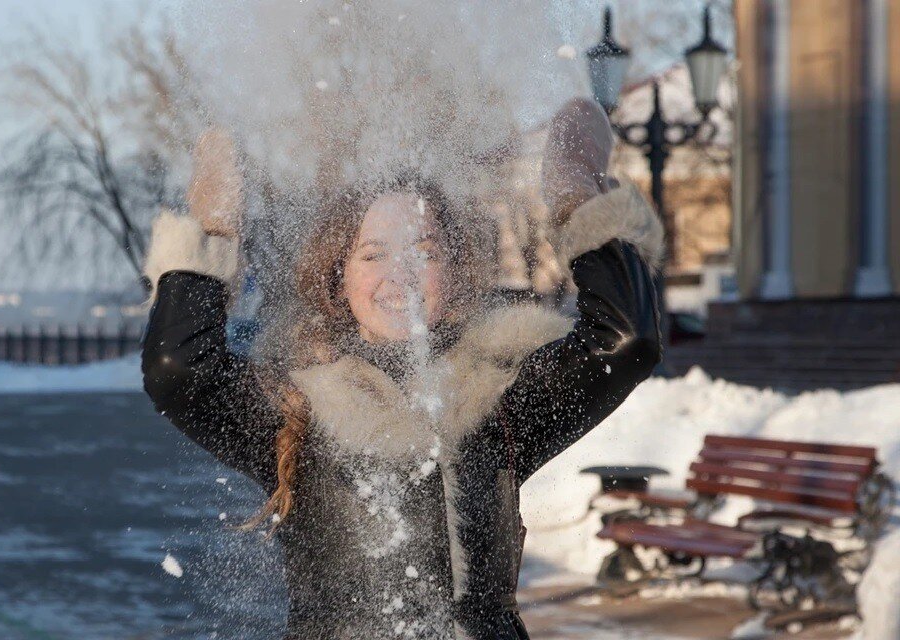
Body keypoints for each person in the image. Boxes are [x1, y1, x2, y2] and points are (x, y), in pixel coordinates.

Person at [141, 97, 663, 639]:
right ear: (338, 278)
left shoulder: (498, 400)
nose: (402, 273)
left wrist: (576, 195)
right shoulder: (297, 409)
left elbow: (625, 343)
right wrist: (212, 232)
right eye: (373, 254)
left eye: (425, 251)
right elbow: (177, 371)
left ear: (454, 272)